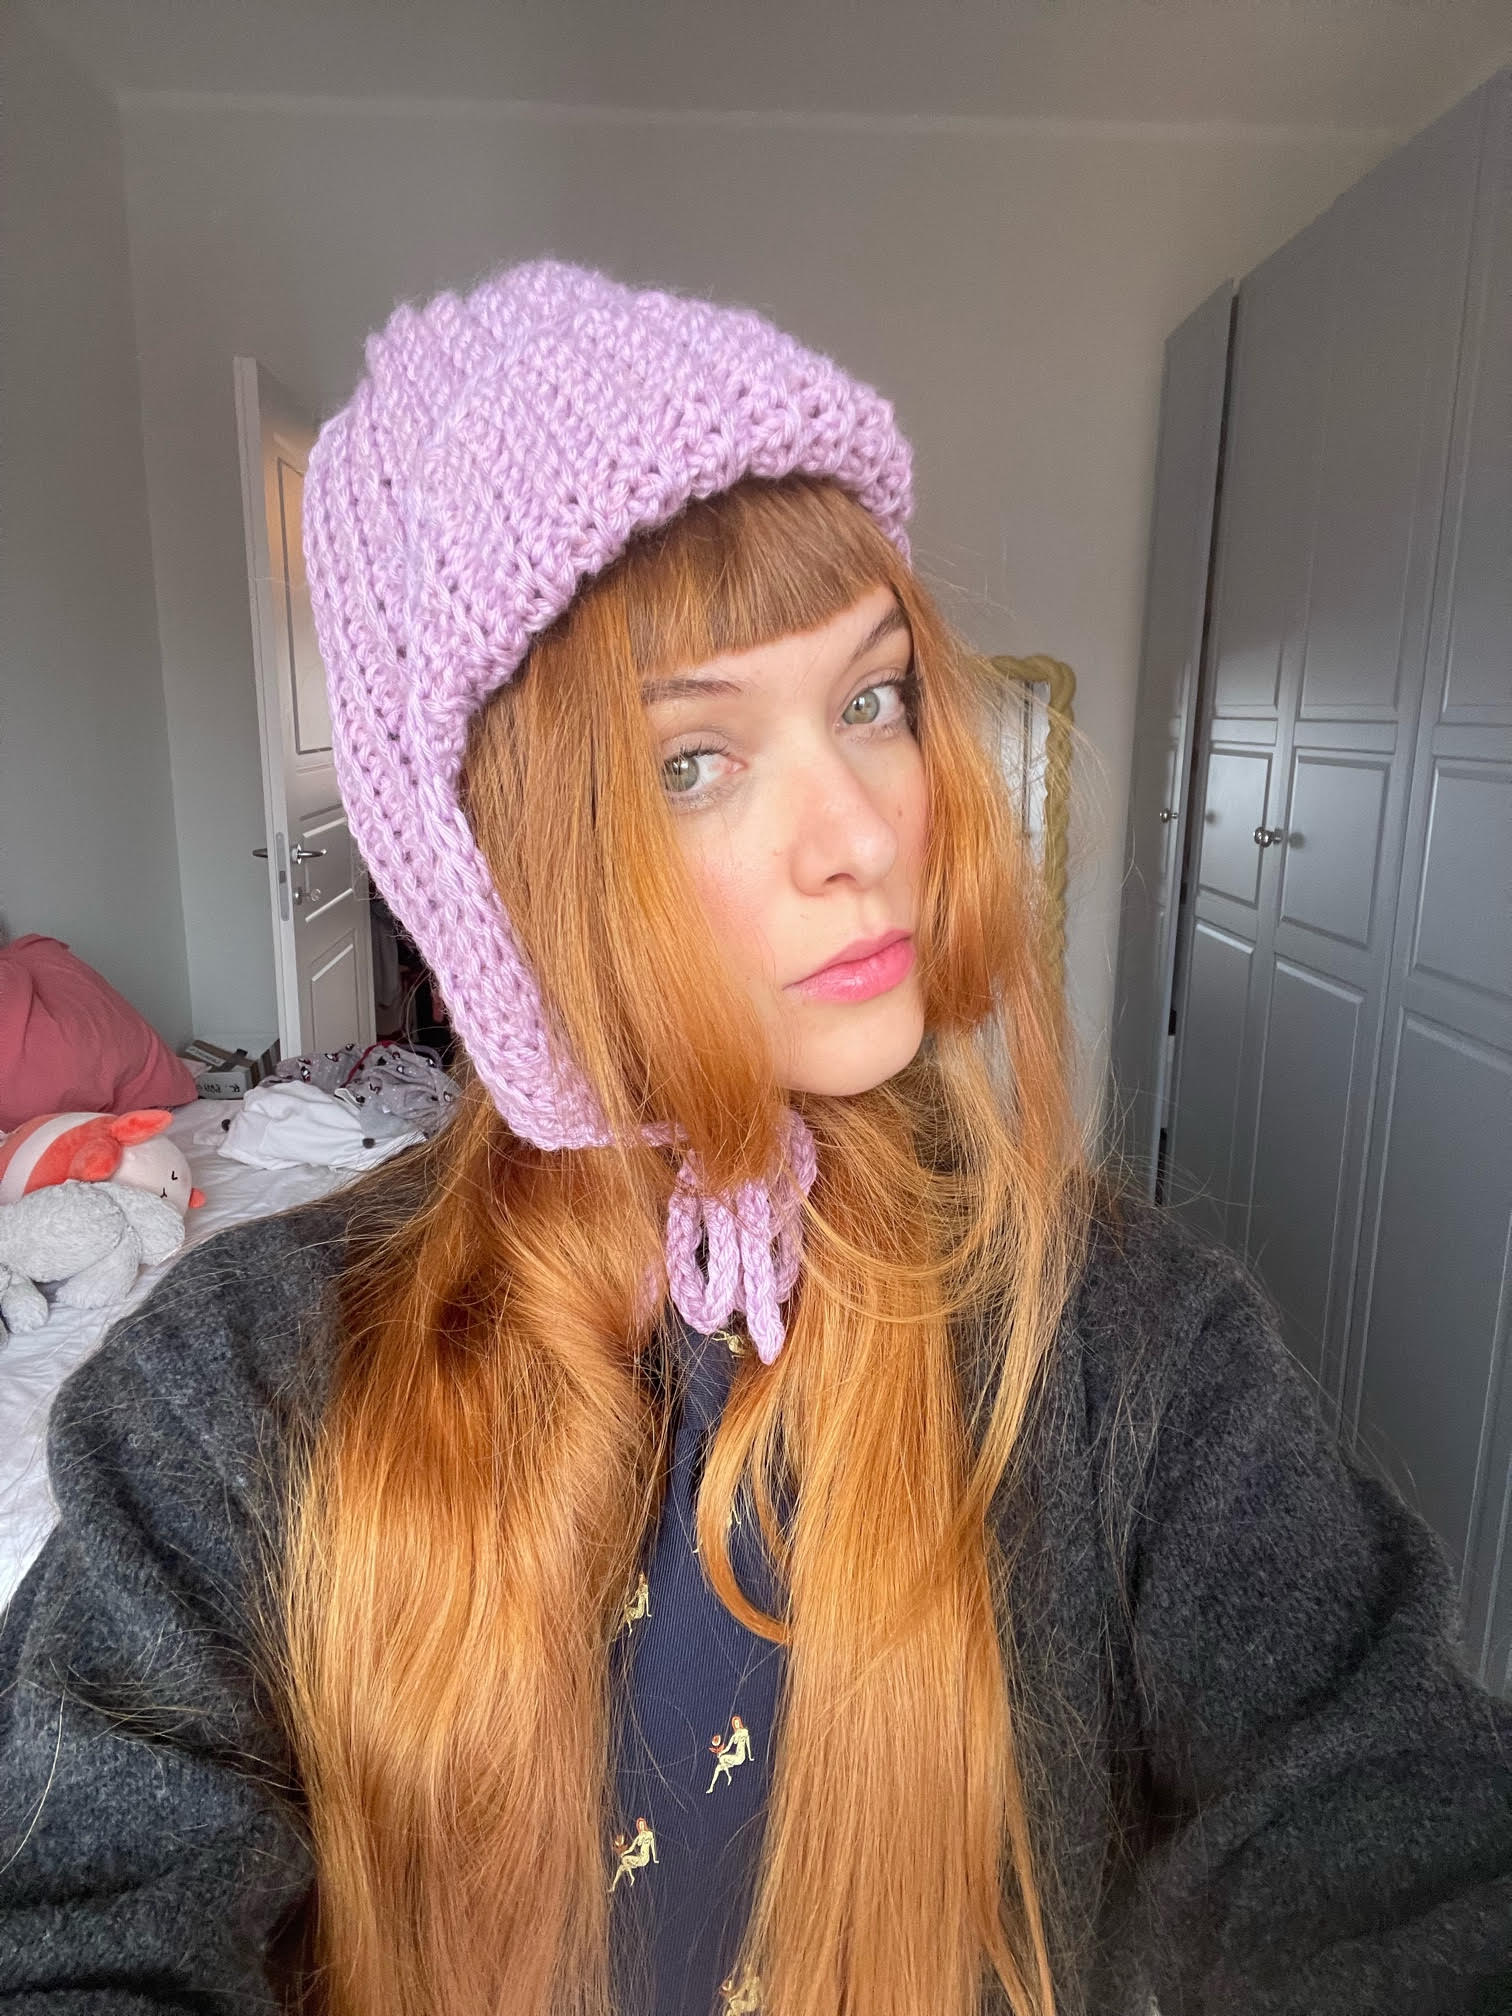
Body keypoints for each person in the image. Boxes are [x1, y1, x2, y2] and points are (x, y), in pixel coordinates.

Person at [0, 260, 1507, 2016]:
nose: (863, 834)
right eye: (690, 763)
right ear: (495, 866)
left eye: (873, 699)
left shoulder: (1117, 1346)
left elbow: (1393, 1831)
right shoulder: (235, 1394)